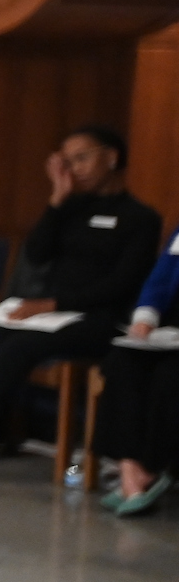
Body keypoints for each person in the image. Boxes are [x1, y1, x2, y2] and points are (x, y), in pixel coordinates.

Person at [0, 125, 161, 469]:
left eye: (83, 158)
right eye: (67, 161)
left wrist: (52, 305)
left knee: (21, 345)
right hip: (51, 313)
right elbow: (38, 253)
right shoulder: (70, 210)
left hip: (100, 319)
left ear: (112, 158)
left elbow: (122, 283)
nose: (75, 169)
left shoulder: (141, 218)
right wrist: (57, 198)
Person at [92, 218, 179, 515]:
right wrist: (144, 320)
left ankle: (152, 466)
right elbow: (161, 278)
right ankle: (131, 470)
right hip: (171, 330)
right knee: (123, 361)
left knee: (170, 375)